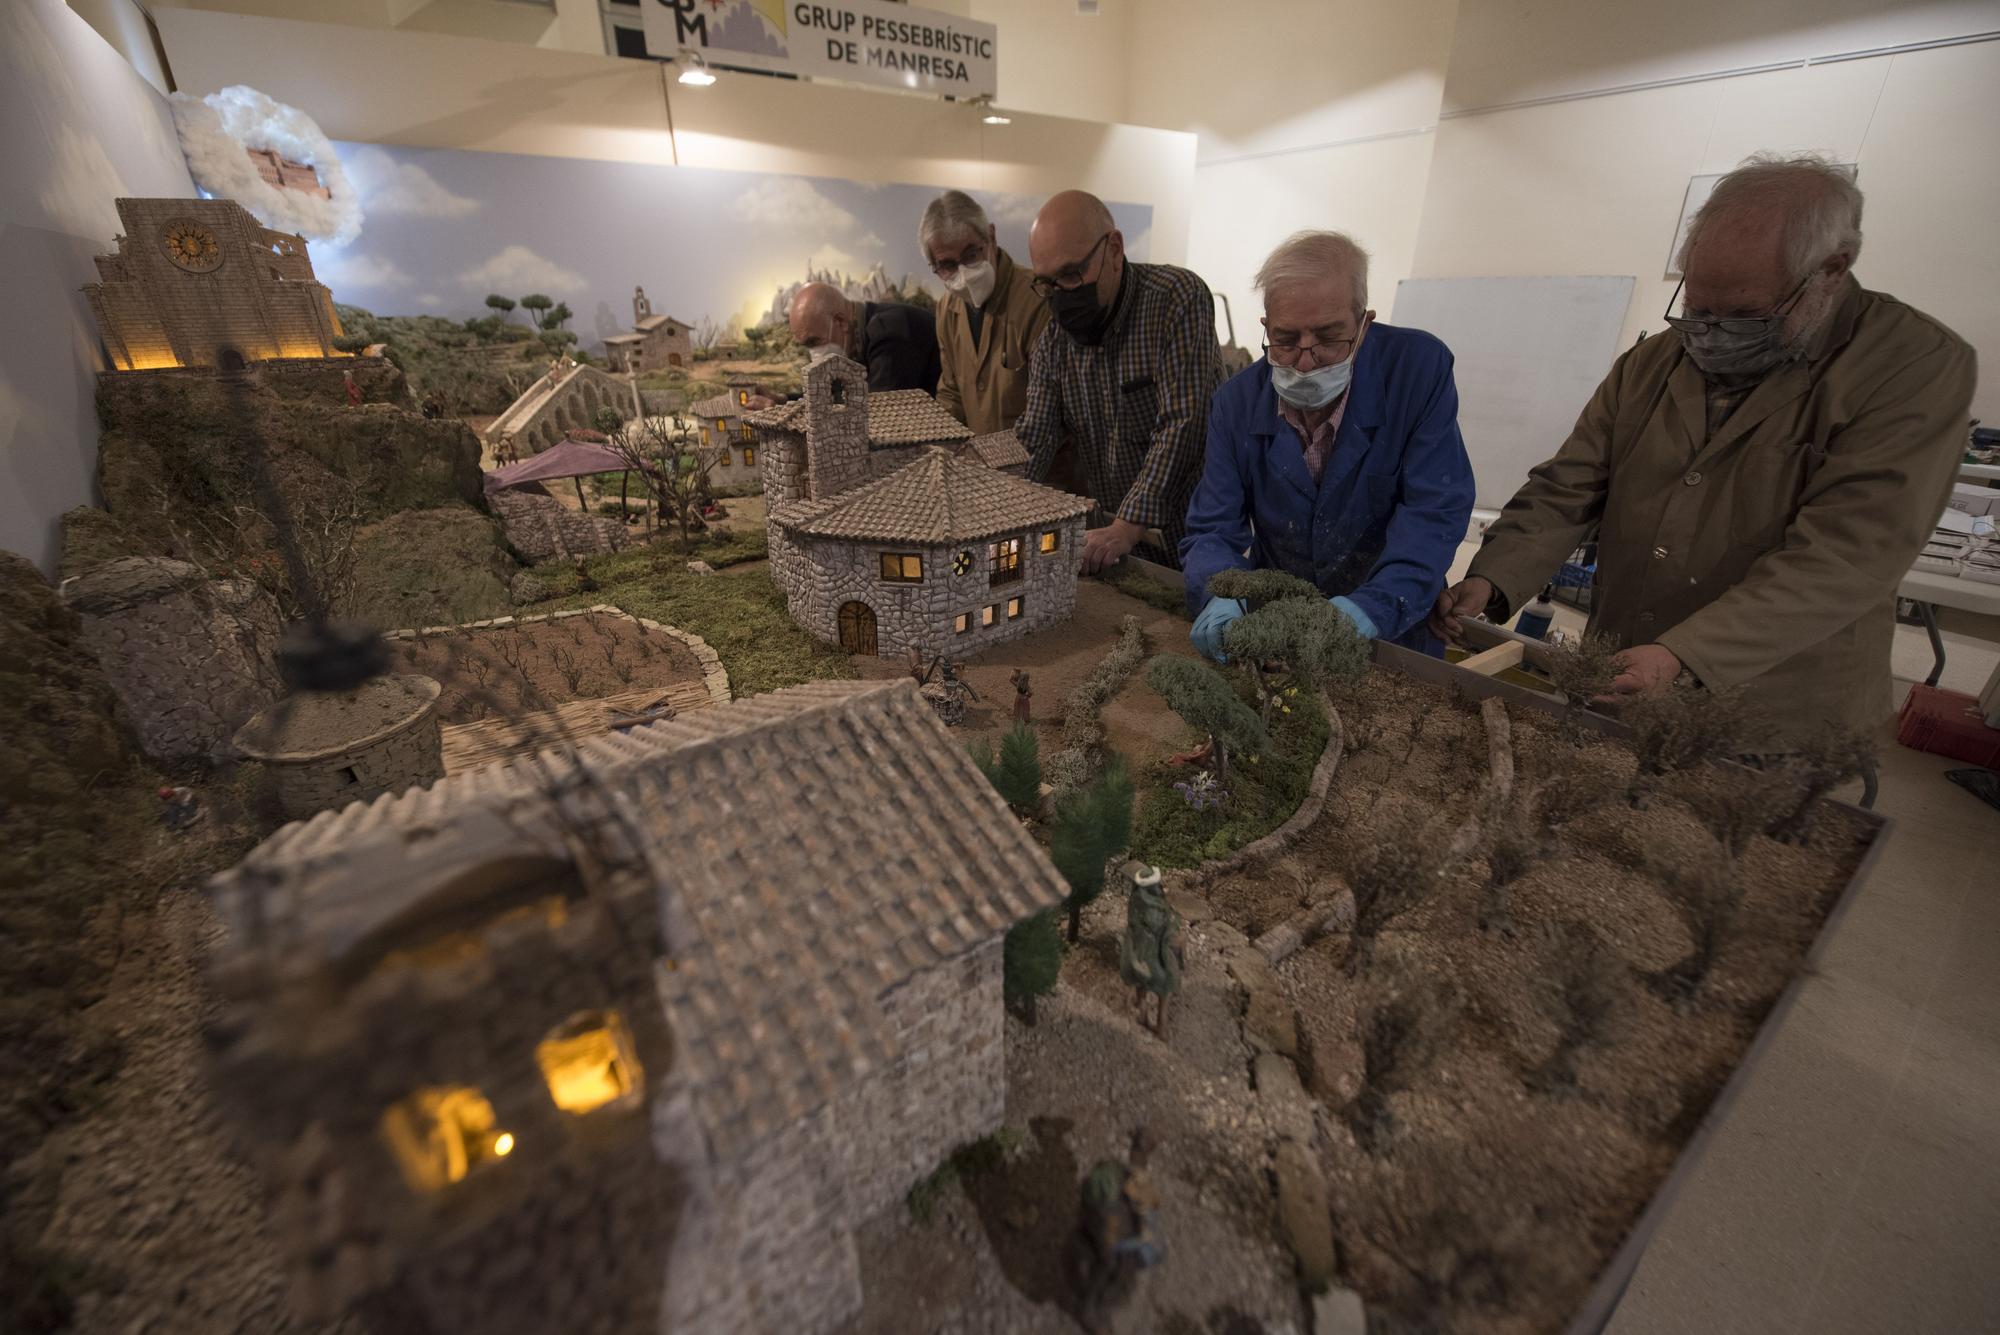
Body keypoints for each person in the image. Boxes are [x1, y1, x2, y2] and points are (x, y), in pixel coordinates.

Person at [1431, 154, 1976, 741]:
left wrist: (1684, 655)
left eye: (1744, 316)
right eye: (1697, 311)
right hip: (1622, 677)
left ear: (1833, 270)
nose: (1712, 335)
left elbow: (1846, 556)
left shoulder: (1913, 366)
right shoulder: (1652, 362)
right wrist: (1493, 579)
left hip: (1772, 710)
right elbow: (1568, 488)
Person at [1181, 231, 1475, 656]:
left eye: (1328, 337)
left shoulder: (1416, 372)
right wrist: (1221, 591)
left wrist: (1369, 611)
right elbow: (1212, 526)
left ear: (1364, 324)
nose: (1304, 361)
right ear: (1265, 326)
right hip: (1277, 627)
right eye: (1285, 340)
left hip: (1390, 629)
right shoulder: (1236, 404)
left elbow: (1434, 513)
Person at [1016, 190, 1220, 573]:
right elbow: (1034, 438)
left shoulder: (1176, 300)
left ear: (1113, 248)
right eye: (1047, 284)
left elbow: (1185, 423)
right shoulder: (1054, 345)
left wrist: (1129, 523)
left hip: (1194, 537)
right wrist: (988, 504)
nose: (1061, 297)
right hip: (1120, 545)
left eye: (1072, 275)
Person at [919, 189, 1051, 434]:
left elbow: (1048, 415)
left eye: (971, 254)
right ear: (934, 265)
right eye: (947, 265)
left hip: (1035, 465)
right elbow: (952, 393)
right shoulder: (946, 309)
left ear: (991, 237)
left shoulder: (1038, 300)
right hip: (977, 465)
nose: (964, 273)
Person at [786, 281, 940, 394]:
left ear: (841, 322)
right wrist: (780, 401)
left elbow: (879, 413)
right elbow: (830, 398)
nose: (814, 354)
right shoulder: (852, 344)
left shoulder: (888, 330)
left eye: (814, 341)